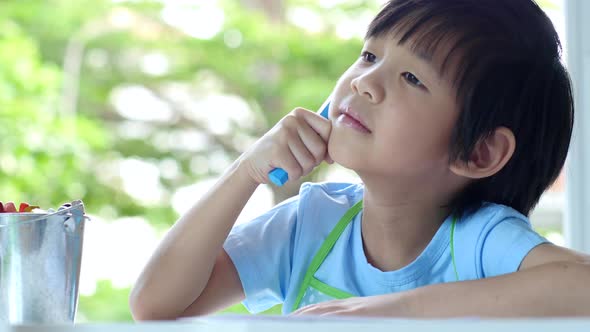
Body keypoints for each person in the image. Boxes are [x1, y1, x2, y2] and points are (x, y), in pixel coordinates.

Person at [130, 0, 590, 320]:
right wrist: (247, 170)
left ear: (478, 152)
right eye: (370, 54)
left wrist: (401, 311)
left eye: (412, 77)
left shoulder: (478, 239)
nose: (364, 82)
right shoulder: (311, 223)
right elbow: (156, 304)